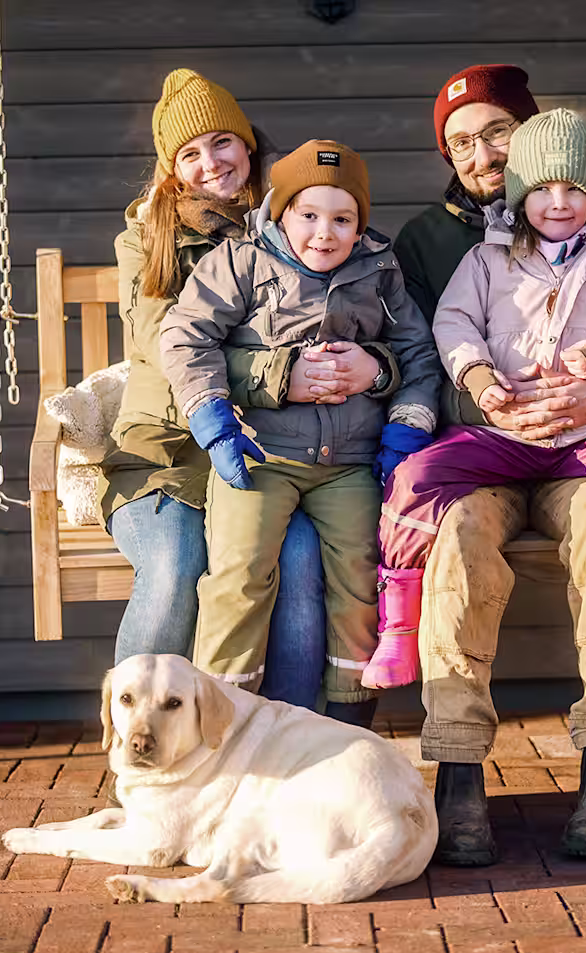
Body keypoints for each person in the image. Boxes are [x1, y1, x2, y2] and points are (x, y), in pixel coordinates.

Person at [392, 65, 586, 865]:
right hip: (485, 450)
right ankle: (456, 772)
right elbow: (424, 351)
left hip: (585, 447)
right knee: (454, 542)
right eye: (460, 143)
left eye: (494, 133)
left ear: (529, 138)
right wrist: (486, 401)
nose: (480, 153)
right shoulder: (428, 239)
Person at [380, 106, 586, 706]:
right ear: (517, 196)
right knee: (413, 480)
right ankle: (399, 622)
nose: (558, 203)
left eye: (574, 189)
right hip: (499, 436)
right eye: (542, 190)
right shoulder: (485, 258)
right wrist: (480, 380)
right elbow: (453, 324)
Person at [99, 71, 399, 719]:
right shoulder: (147, 242)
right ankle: (140, 745)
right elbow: (166, 346)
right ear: (172, 169)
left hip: (267, 458)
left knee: (298, 565)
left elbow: (363, 323)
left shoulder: (296, 224)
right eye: (190, 153)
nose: (212, 163)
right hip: (171, 459)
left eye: (222, 142)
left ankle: (288, 743)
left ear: (248, 145)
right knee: (177, 567)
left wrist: (368, 367)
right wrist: (278, 375)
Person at [159, 139, 442, 713]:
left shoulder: (379, 272)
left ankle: (348, 712)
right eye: (308, 215)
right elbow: (186, 336)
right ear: (280, 213)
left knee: (362, 576)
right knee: (239, 575)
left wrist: (405, 426)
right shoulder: (241, 262)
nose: (324, 233)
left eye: (342, 219)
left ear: (360, 225)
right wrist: (211, 416)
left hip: (351, 463)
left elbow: (418, 354)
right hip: (261, 454)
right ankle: (223, 712)